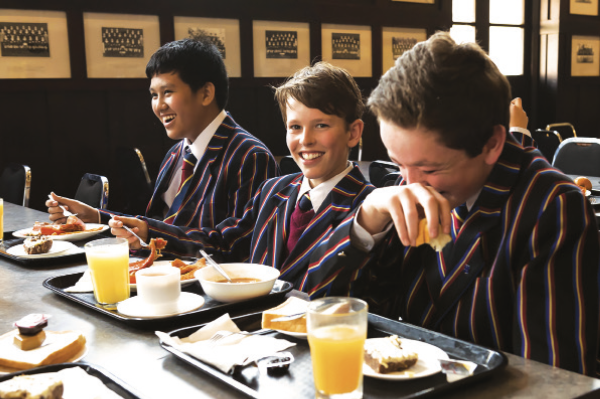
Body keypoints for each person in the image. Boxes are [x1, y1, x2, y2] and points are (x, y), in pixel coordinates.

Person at [306, 32, 600, 375]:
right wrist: (366, 221)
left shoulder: (550, 208)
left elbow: (552, 378)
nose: (410, 183)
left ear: (492, 144)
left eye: (429, 168)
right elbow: (326, 310)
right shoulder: (408, 189)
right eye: (398, 163)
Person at [110, 62, 375, 296]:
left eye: (321, 125)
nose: (305, 140)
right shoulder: (274, 191)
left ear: (353, 133)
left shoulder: (370, 210)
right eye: (295, 127)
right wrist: (148, 231)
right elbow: (223, 243)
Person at [47, 38, 279, 230]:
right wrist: (97, 217)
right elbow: (161, 224)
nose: (159, 106)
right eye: (154, 95)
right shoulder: (176, 153)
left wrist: (150, 234)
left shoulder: (250, 156)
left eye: (168, 92)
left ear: (206, 93)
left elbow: (237, 244)